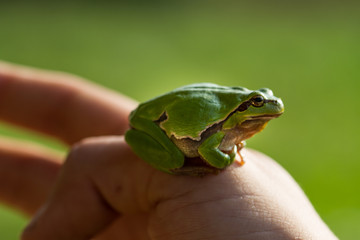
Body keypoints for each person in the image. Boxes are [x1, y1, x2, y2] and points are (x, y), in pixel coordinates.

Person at [0, 61, 338, 240]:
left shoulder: (231, 119)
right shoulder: (222, 126)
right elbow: (208, 147)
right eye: (256, 103)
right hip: (168, 133)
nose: (269, 106)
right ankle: (175, 163)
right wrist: (224, 156)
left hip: (183, 118)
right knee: (178, 156)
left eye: (262, 99)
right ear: (243, 106)